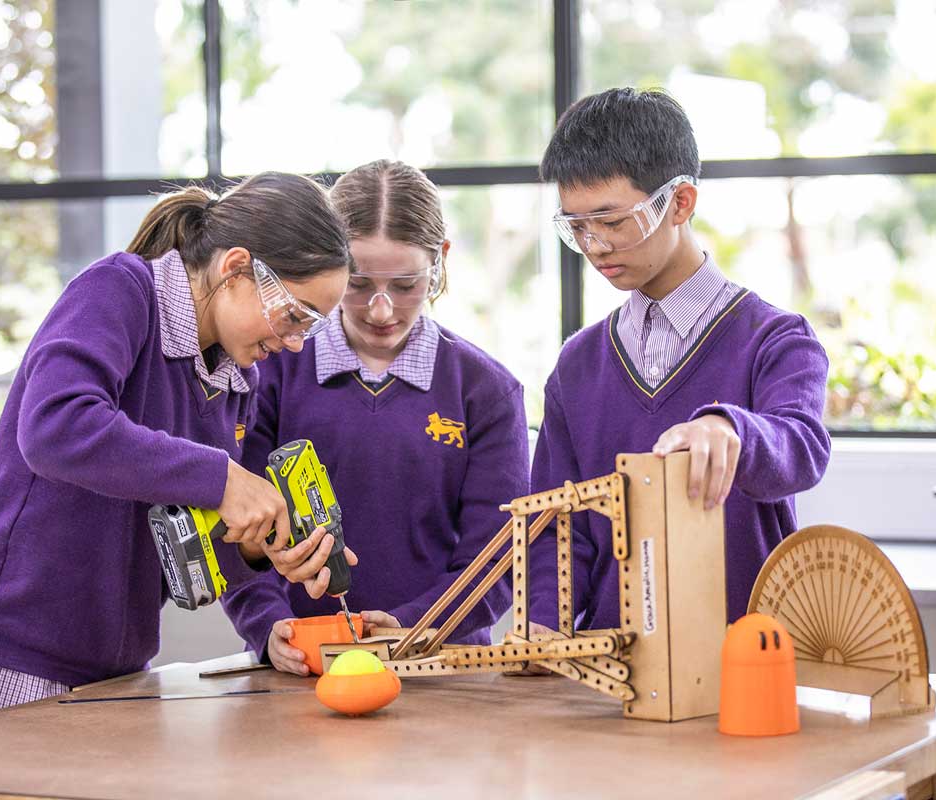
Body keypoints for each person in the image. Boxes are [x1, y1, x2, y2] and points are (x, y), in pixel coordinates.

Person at [0, 172, 356, 734]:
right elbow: (55, 427)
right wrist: (224, 480)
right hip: (12, 664)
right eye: (294, 314)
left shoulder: (232, 379)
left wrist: (257, 552)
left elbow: (189, 516)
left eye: (312, 326)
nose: (296, 341)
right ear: (235, 269)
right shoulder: (121, 290)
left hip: (114, 676)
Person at [527, 88, 831, 634]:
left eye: (611, 221)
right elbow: (556, 526)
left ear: (680, 202)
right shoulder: (578, 366)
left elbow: (802, 447)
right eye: (576, 227)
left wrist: (731, 427)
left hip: (746, 659)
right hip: (611, 669)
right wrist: (543, 630)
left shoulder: (776, 340)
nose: (594, 245)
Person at [221, 160, 528, 675]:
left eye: (406, 285)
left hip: (442, 670)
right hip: (300, 670)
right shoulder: (270, 370)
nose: (381, 311)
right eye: (358, 284)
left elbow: (497, 559)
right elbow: (239, 532)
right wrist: (266, 625)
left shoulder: (486, 391)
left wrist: (416, 626)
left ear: (441, 261)